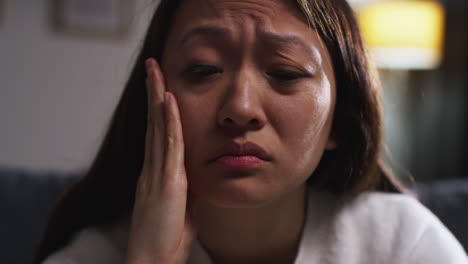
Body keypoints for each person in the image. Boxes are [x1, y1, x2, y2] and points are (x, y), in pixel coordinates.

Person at [35, 0, 467, 263]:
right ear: (152, 100)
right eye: (203, 69)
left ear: (341, 118)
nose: (240, 109)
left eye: (284, 71)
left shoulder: (401, 245)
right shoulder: (95, 256)